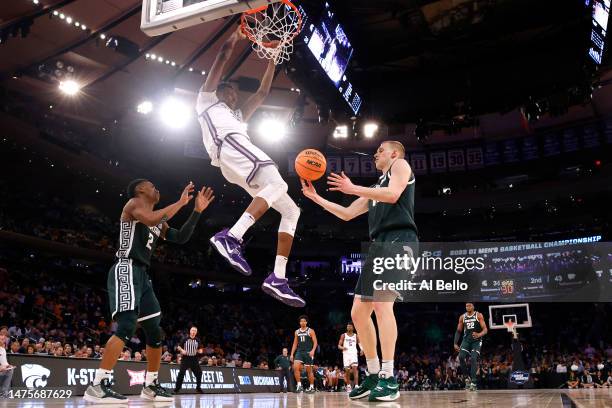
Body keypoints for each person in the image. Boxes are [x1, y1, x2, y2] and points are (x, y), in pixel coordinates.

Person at [196, 26, 304, 307]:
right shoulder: (207, 101)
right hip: (231, 147)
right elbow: (221, 58)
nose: (234, 94)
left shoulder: (238, 116)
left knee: (292, 210)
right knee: (278, 183)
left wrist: (272, 58)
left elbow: (263, 92)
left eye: (233, 92)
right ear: (220, 91)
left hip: (235, 159)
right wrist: (233, 37)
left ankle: (278, 278)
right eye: (229, 90)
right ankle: (230, 237)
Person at [301, 141, 417, 401]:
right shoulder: (375, 188)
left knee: (381, 304)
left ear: (394, 153)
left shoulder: (400, 166)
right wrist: (316, 198)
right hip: (378, 246)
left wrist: (352, 187)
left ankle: (389, 377)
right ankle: (374, 373)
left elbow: (394, 194)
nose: (376, 153)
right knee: (358, 311)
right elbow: (346, 213)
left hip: (400, 238)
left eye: (380, 150)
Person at [83, 180, 214, 403]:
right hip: (126, 266)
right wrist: (181, 203)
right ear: (141, 189)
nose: (157, 188)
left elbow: (180, 237)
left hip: (143, 275)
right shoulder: (134, 204)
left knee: (155, 332)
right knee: (126, 325)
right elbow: (153, 218)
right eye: (152, 185)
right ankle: (97, 385)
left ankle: (150, 385)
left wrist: (196, 212)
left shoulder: (157, 219)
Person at [453, 303, 488, 391]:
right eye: (466, 306)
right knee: (461, 357)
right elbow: (458, 331)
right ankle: (467, 378)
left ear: (473, 306)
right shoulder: (462, 317)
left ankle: (474, 382)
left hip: (476, 341)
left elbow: (485, 330)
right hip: (466, 341)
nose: (467, 307)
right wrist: (455, 343)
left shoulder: (478, 315)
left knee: (473, 358)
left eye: (469, 305)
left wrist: (479, 334)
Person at [290, 315, 317, 393]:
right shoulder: (297, 332)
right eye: (301, 321)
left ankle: (311, 387)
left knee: (309, 371)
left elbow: (315, 342)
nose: (302, 322)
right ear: (299, 322)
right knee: (295, 367)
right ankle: (299, 385)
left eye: (304, 321)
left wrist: (313, 350)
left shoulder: (311, 331)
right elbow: (295, 343)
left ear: (306, 322)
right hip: (299, 352)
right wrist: (292, 354)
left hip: (308, 352)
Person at [174, 326, 203, 394]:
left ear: (196, 332)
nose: (193, 332)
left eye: (195, 331)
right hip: (185, 359)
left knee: (199, 373)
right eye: (192, 330)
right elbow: (178, 347)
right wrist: (182, 350)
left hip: (194, 359)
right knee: (181, 373)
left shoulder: (198, 340)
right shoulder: (185, 339)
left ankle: (198, 388)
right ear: (190, 331)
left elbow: (200, 349)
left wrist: (200, 351)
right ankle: (177, 389)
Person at [338, 322, 362, 392]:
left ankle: (357, 385)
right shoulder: (343, 335)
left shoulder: (356, 336)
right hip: (346, 354)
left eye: (350, 326)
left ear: (353, 327)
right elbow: (339, 345)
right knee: (347, 370)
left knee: (355, 369)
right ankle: (348, 385)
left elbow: (360, 344)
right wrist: (342, 347)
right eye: (347, 326)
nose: (348, 328)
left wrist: (361, 350)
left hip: (354, 353)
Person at [0, 333, 16, 398]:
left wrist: (8, 365)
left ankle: (4, 392)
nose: (3, 341)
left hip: (2, 369)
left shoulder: (3, 349)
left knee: (10, 370)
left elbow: (4, 362)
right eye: (1, 339)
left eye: (4, 339)